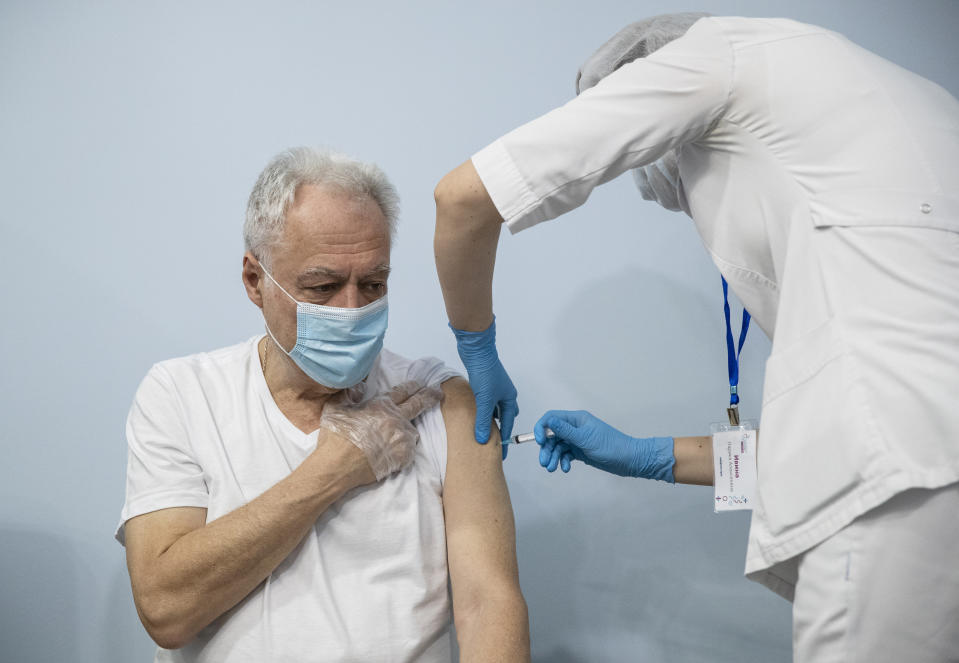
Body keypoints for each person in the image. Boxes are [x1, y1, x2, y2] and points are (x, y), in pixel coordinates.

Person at [434, 12, 959, 662]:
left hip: (897, 492)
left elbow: (460, 199)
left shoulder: (717, 57)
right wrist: (649, 454)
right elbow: (861, 423)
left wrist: (476, 347)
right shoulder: (914, 109)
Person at [117, 147, 530, 662]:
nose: (352, 310)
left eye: (374, 284)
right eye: (323, 286)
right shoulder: (181, 394)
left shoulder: (439, 400)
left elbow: (488, 605)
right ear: (254, 280)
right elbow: (165, 608)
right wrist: (333, 470)